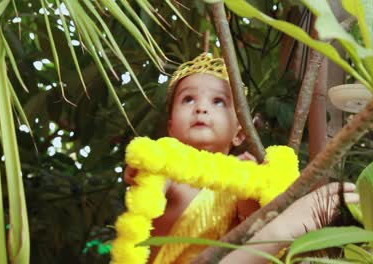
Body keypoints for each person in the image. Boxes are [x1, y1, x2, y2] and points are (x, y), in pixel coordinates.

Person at [123, 53, 358, 263]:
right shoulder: (168, 167)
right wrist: (142, 171)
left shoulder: (242, 176)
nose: (201, 108)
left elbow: (253, 234)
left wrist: (249, 190)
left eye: (218, 102)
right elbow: (148, 195)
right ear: (171, 127)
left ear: (240, 132)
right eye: (188, 99)